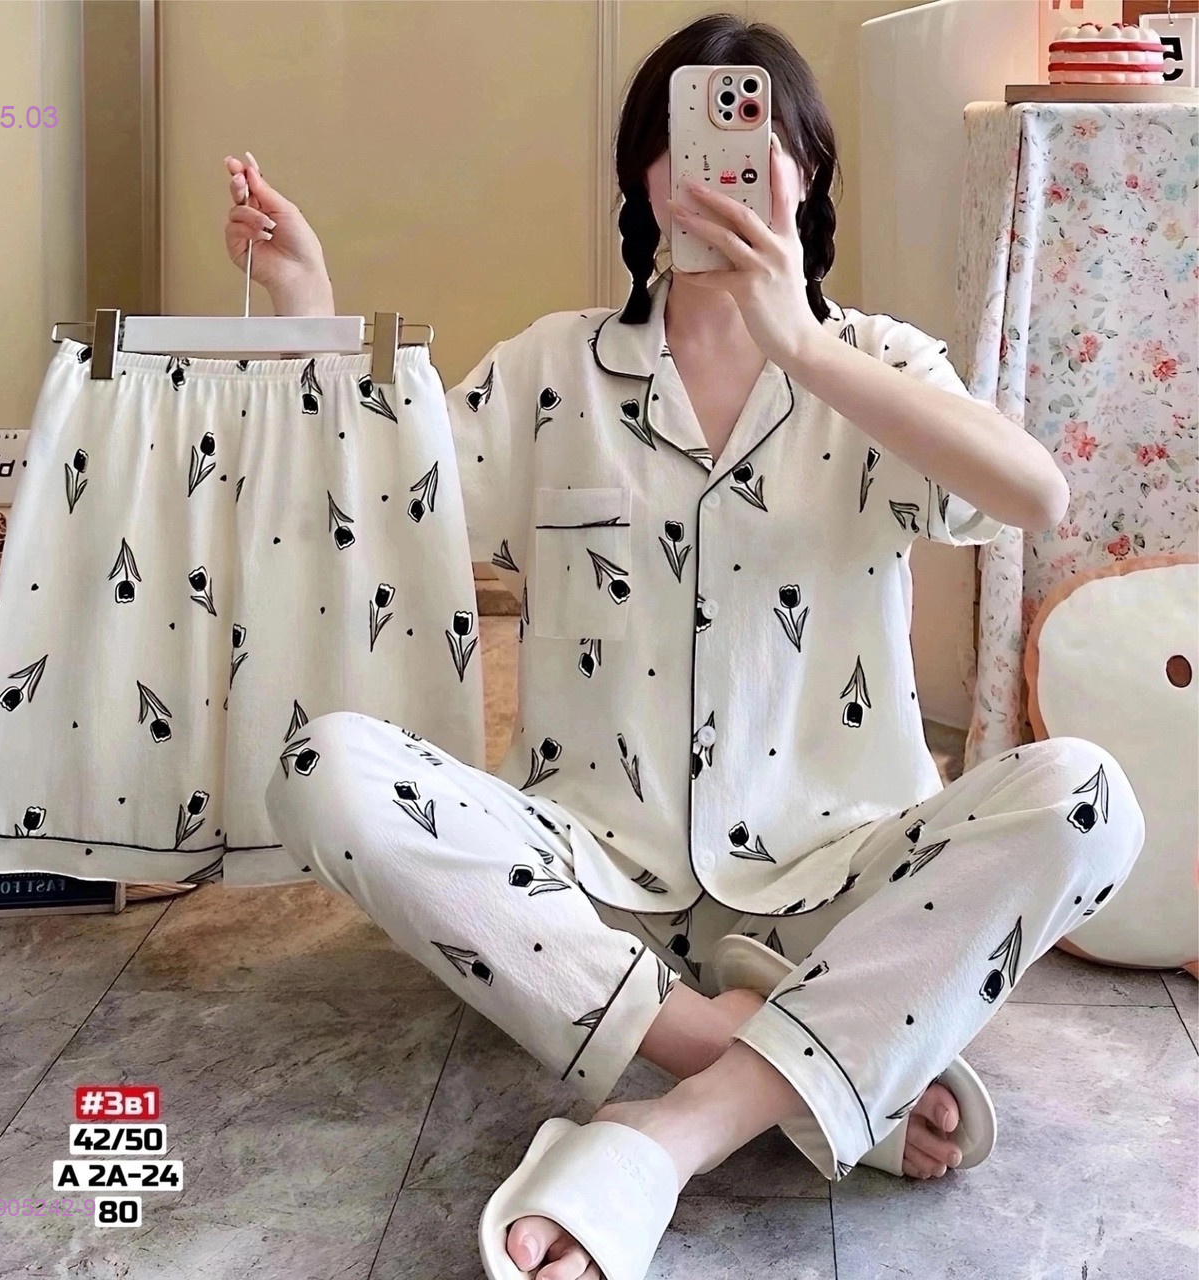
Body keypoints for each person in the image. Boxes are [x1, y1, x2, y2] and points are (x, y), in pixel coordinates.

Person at [223, 14, 1144, 1280]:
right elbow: (379, 504)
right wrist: (305, 305)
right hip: (588, 885)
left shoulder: (875, 364)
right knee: (324, 763)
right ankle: (794, 1066)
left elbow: (1033, 495)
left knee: (1086, 794)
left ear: (806, 174)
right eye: (684, 135)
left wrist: (800, 345)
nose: (720, 165)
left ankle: (672, 1130)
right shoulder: (552, 367)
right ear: (642, 178)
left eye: (754, 134)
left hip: (835, 881)